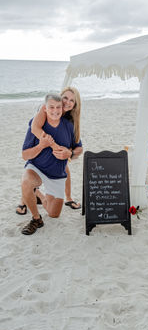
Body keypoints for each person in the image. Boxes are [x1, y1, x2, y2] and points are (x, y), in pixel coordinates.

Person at [21, 93, 83, 235]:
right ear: (44, 108)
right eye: (51, 107)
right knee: (26, 182)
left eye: (58, 107)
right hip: (37, 168)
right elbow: (25, 155)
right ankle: (36, 219)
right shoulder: (36, 125)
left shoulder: (69, 126)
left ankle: (39, 195)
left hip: (56, 174)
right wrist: (41, 146)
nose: (55, 111)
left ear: (63, 108)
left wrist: (70, 153)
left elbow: (79, 147)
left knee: (54, 214)